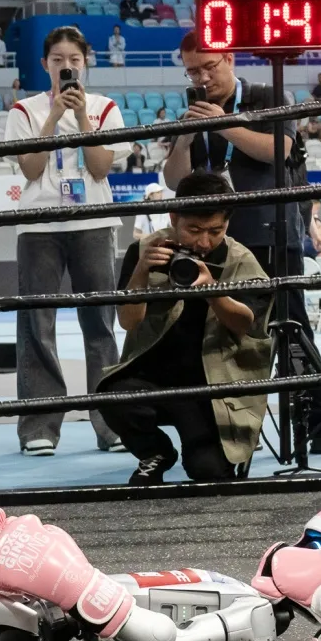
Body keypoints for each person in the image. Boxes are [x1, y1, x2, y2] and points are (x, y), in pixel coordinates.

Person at [162, 28, 321, 452]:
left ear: (230, 58)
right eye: (192, 72)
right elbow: (175, 181)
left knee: (292, 330)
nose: (202, 78)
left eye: (209, 66)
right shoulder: (194, 110)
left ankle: (319, 423)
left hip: (271, 232)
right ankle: (235, 424)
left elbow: (278, 149)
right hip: (216, 240)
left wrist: (223, 125)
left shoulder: (266, 94)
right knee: (221, 334)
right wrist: (186, 136)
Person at [99, 171, 274, 484]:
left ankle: (207, 449)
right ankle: (155, 452)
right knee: (110, 394)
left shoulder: (241, 261)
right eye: (194, 229)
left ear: (227, 224)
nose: (204, 242)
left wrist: (212, 291)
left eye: (215, 231)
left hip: (212, 386)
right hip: (153, 379)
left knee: (207, 473)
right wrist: (141, 271)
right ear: (173, 217)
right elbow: (128, 321)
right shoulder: (145, 252)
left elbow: (245, 324)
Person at [2, 25, 129, 455]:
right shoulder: (23, 109)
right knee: (37, 325)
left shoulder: (105, 107)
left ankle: (111, 423)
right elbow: (32, 171)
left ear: (86, 62)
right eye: (58, 60)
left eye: (74, 60)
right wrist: (55, 115)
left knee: (100, 325)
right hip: (39, 227)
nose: (67, 67)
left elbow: (99, 168)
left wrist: (79, 118)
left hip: (92, 223)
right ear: (45, 65)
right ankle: (39, 427)